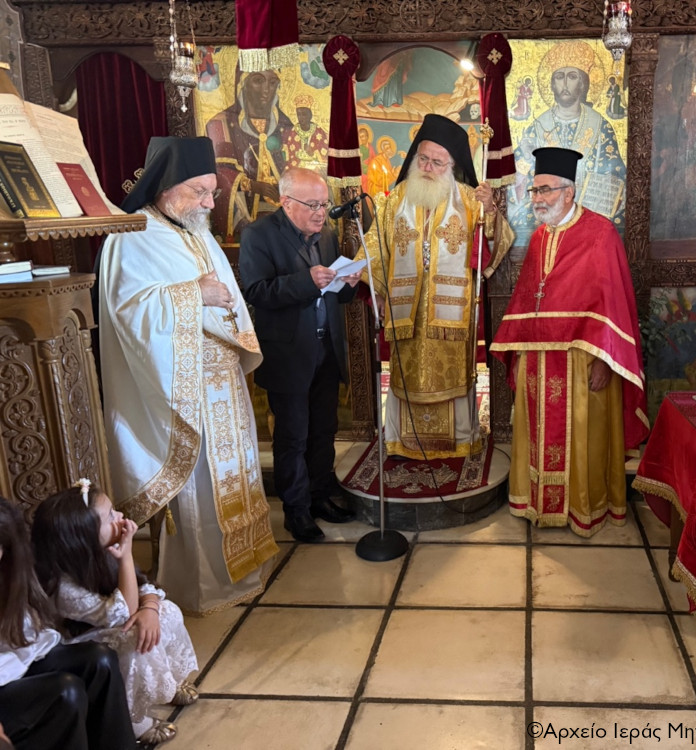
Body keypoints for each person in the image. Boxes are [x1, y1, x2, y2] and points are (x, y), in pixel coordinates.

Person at [99, 136, 278, 615]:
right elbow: (127, 313)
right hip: (181, 390)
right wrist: (194, 293)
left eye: (211, 193)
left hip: (223, 383)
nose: (209, 204)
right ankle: (203, 587)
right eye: (200, 192)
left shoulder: (196, 230)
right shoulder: (131, 235)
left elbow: (228, 297)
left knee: (236, 476)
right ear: (165, 187)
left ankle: (245, 570)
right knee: (201, 489)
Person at [491, 148, 648, 537]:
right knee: (538, 435)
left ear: (569, 191)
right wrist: (519, 351)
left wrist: (606, 361)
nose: (538, 199)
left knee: (582, 438)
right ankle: (536, 502)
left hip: (582, 362)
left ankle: (582, 508)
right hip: (538, 363)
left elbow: (614, 306)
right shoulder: (540, 237)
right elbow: (528, 300)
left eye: (545, 190)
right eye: (535, 191)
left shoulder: (600, 233)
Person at [359, 114, 514, 459]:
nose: (428, 168)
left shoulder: (470, 200)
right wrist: (378, 291)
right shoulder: (395, 200)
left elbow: (495, 245)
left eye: (437, 162)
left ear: (452, 165)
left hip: (451, 313)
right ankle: (403, 441)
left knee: (450, 376)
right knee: (407, 375)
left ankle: (458, 441)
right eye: (423, 159)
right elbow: (375, 246)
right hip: (406, 311)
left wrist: (490, 212)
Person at [239, 168, 362, 543]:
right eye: (312, 205)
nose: (321, 212)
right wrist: (306, 281)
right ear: (286, 202)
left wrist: (348, 283)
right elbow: (257, 291)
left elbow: (332, 292)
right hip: (289, 354)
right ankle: (296, 512)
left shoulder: (326, 235)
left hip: (326, 349)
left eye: (324, 204)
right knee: (293, 436)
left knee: (324, 429)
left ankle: (320, 496)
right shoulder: (259, 235)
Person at [32, 481, 198, 745]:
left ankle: (166, 682)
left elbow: (144, 586)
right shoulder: (63, 587)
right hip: (81, 646)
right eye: (110, 516)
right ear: (83, 537)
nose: (120, 516)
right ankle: (133, 719)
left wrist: (150, 608)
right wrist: (126, 557)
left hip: (110, 622)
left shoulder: (102, 550)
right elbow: (123, 612)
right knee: (133, 639)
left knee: (167, 611)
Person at [0, 497, 135, 750]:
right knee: (66, 692)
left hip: (14, 659)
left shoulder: (11, 563)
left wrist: (150, 603)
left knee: (99, 660)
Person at [510, 42, 626, 240]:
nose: (564, 84)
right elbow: (518, 180)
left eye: (572, 76)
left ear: (583, 83)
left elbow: (616, 175)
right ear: (552, 84)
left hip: (589, 222)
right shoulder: (537, 127)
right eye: (559, 77)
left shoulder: (600, 126)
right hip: (548, 220)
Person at [206, 67, 294, 243]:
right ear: (242, 84)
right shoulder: (220, 124)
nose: (266, 89)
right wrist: (252, 185)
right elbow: (220, 173)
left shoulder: (287, 127)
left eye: (273, 82)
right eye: (258, 81)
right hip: (244, 210)